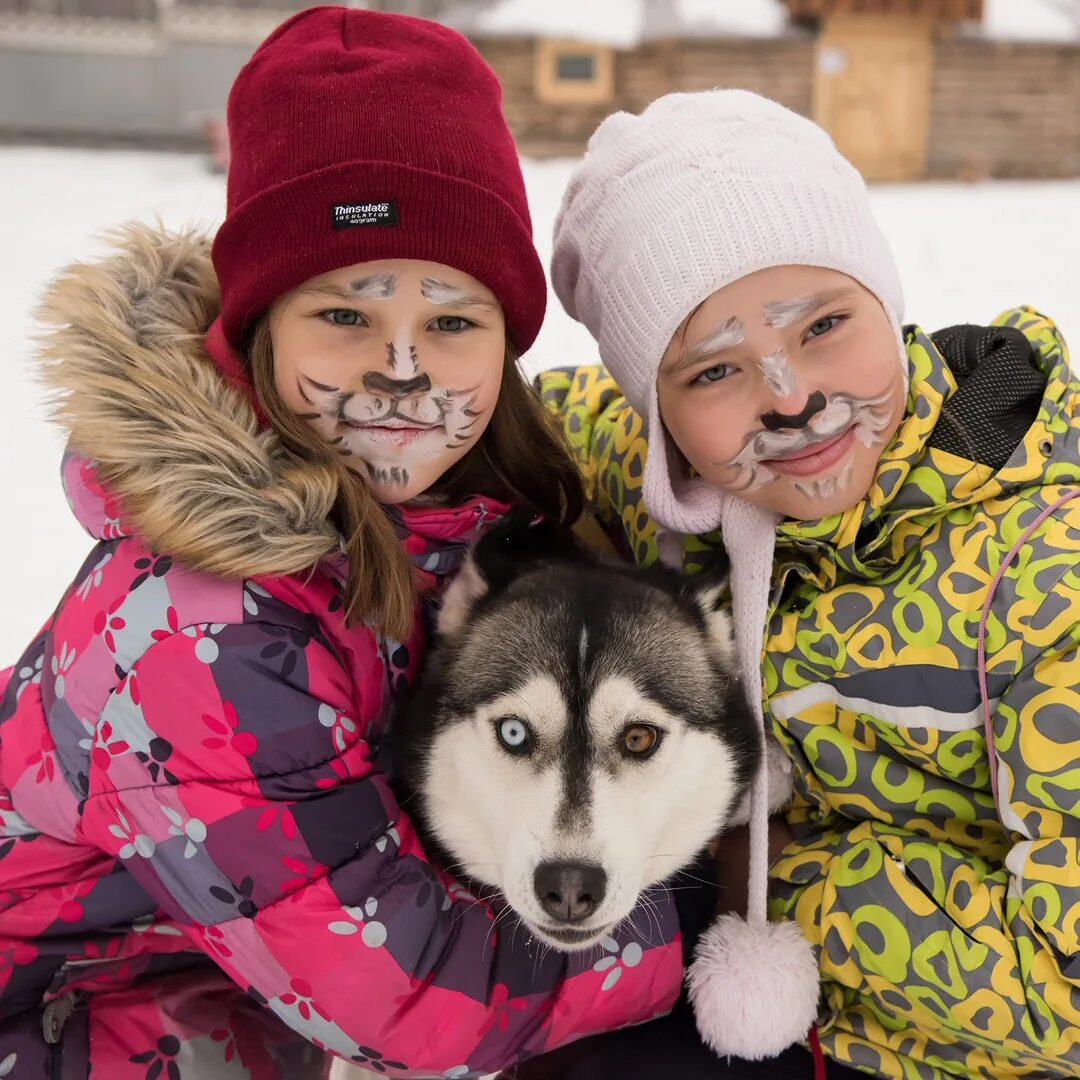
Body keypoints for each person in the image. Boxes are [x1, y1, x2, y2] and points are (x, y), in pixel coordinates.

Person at [0, 11, 714, 1076]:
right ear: (257, 330)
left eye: (453, 322)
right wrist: (702, 907)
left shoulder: (449, 508)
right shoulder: (199, 632)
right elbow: (405, 993)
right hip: (66, 1019)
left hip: (221, 992)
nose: (403, 371)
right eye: (345, 315)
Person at [532, 88, 1080, 1079]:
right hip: (789, 1019)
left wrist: (779, 870)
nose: (793, 398)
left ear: (887, 298)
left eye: (825, 324)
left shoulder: (1045, 570)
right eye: (713, 373)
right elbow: (514, 423)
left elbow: (1068, 986)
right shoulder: (687, 484)